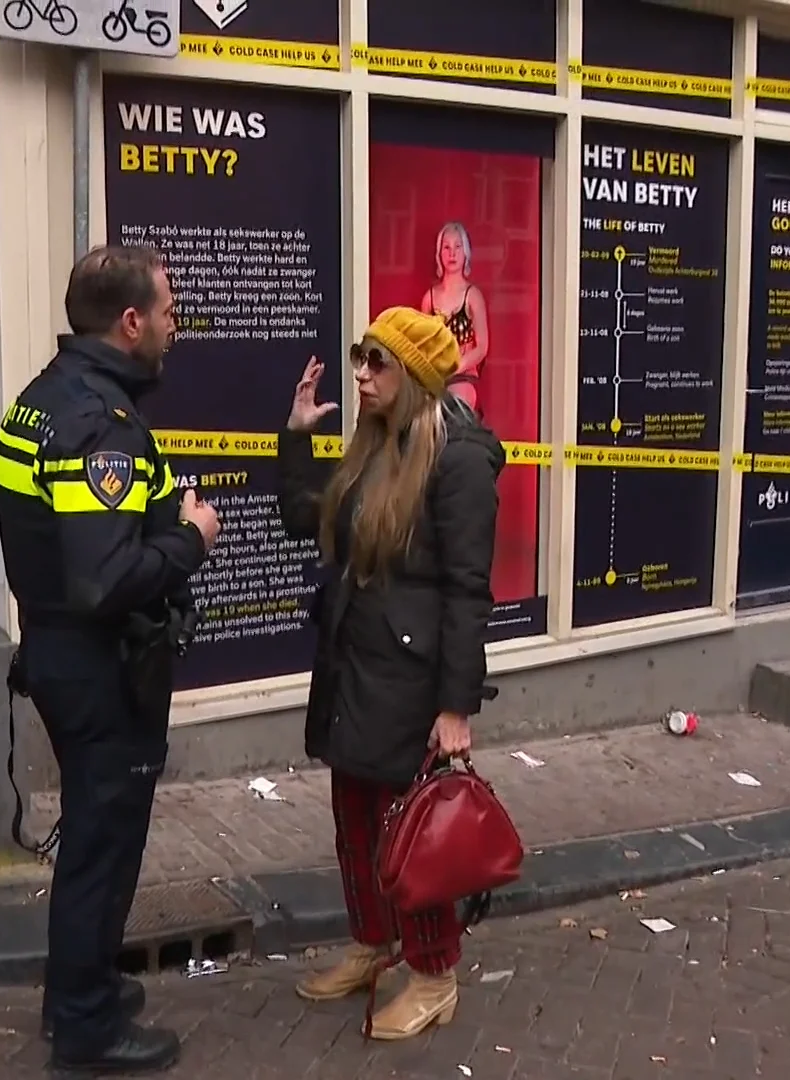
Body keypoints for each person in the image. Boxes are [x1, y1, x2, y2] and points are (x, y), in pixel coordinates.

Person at [0, 244, 221, 1075]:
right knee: (103, 844)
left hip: (61, 657)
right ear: (130, 322)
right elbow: (103, 578)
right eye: (166, 313)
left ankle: (78, 990)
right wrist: (190, 537)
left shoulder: (41, 403)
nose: (173, 329)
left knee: (96, 838)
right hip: (100, 671)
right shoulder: (100, 424)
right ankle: (87, 1027)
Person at [277, 307, 504, 1040]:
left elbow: (469, 588)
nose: (362, 375)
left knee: (413, 835)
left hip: (410, 677)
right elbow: (305, 519)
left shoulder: (460, 457)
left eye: (378, 362)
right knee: (354, 820)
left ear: (415, 375)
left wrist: (456, 706)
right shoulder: (373, 444)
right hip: (353, 664)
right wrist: (297, 435)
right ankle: (373, 946)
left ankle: (434, 974)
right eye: (359, 358)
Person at [418, 222, 490, 411]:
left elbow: (482, 347)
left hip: (465, 376)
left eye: (457, 247)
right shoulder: (429, 298)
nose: (452, 253)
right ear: (439, 253)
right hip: (435, 376)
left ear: (465, 252)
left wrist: (456, 366)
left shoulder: (472, 296)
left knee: (452, 405)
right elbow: (425, 345)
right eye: (446, 247)